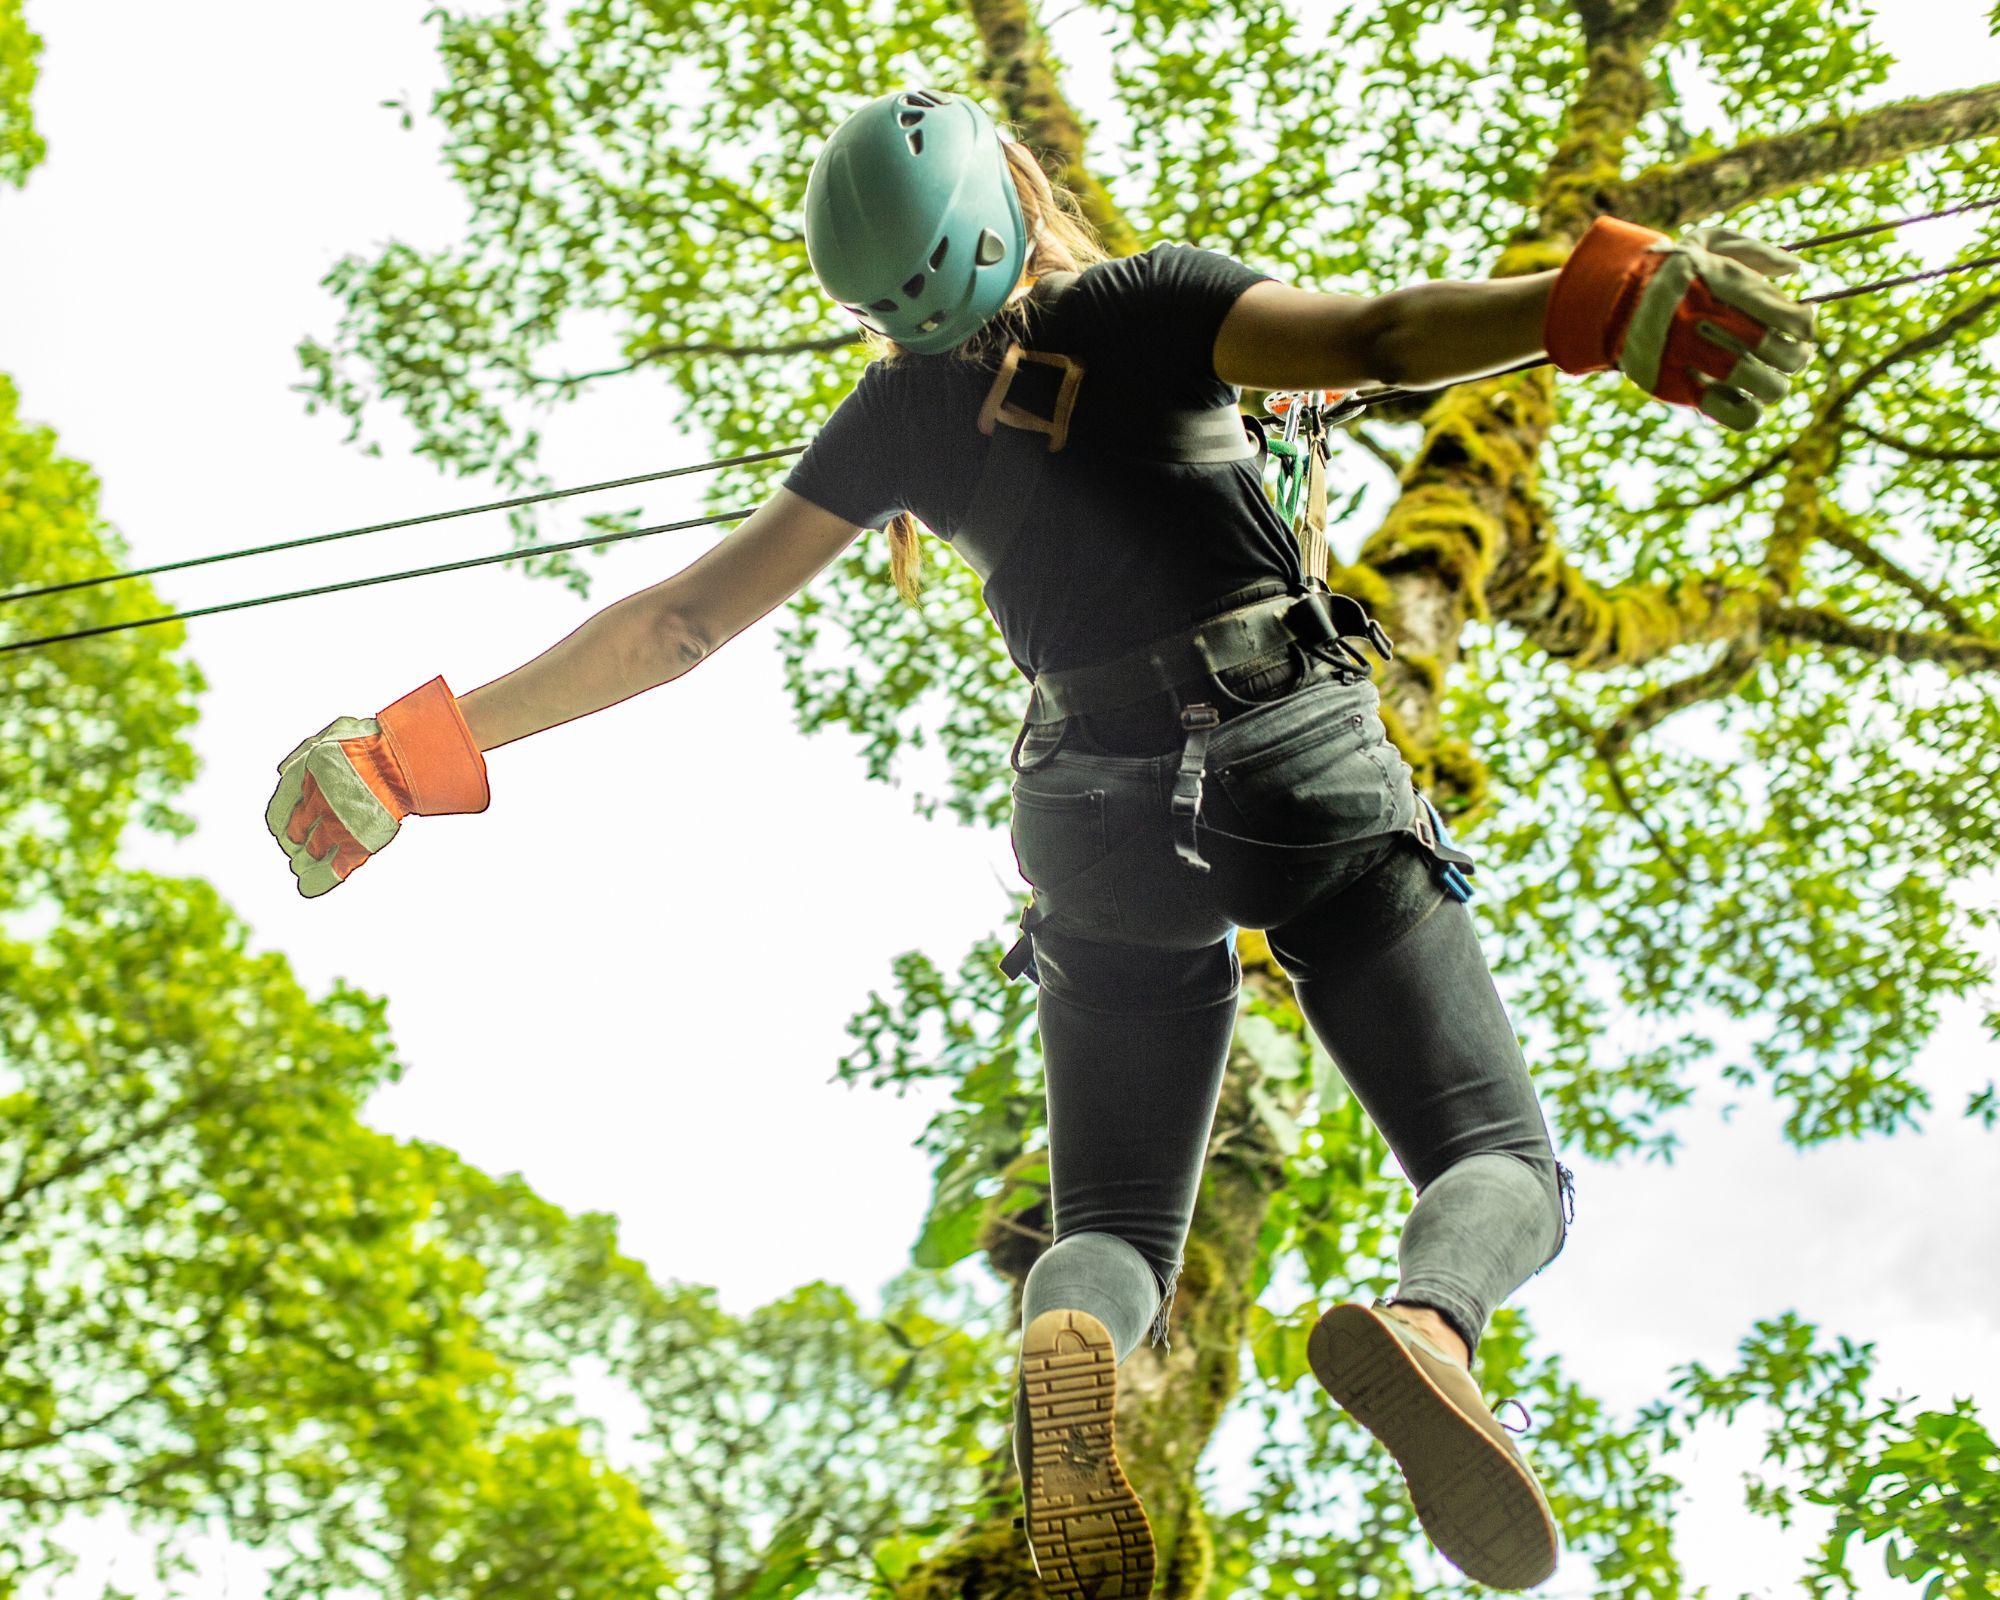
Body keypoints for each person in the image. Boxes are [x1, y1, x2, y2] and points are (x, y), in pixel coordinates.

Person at [266, 88, 1817, 1596]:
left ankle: (1067, 1346)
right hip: (1283, 740)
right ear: (1010, 193)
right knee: (1501, 1161)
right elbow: (1384, 339)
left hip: (1083, 808)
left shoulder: (896, 415)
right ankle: (1431, 1327)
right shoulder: (1155, 298)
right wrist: (1599, 303)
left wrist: (414, 753)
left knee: (1118, 1226)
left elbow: (675, 628)